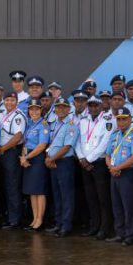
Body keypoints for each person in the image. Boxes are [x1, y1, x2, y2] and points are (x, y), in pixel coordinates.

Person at [105, 107, 133, 245]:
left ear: (130, 119)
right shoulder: (115, 134)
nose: (121, 122)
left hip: (127, 174)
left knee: (129, 206)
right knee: (116, 206)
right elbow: (107, 154)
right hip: (114, 173)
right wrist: (111, 168)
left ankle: (130, 235)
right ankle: (119, 233)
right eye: (119, 119)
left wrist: (117, 168)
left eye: (124, 119)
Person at [77, 96, 114, 239]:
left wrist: (89, 159)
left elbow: (105, 143)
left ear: (101, 106)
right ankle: (94, 226)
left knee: (102, 198)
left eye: (96, 105)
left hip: (99, 163)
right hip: (84, 164)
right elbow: (78, 141)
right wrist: (82, 158)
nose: (93, 108)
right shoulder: (83, 121)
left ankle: (104, 229)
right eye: (91, 106)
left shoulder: (108, 121)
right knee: (90, 197)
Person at [45, 98, 78, 237]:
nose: (61, 109)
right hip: (53, 163)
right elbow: (51, 144)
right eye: (58, 107)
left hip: (64, 162)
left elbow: (67, 147)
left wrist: (52, 158)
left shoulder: (71, 126)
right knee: (57, 194)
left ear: (69, 109)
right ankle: (58, 223)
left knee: (66, 195)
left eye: (64, 107)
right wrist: (48, 158)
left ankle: (66, 226)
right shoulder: (54, 124)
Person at [0, 92, 26, 229]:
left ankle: (14, 220)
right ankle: (9, 216)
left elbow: (18, 136)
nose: (9, 102)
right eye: (7, 100)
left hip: (11, 153)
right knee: (6, 186)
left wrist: (3, 148)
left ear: (16, 102)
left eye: (12, 100)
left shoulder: (18, 116)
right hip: (4, 153)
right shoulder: (4, 114)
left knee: (13, 186)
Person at [20, 101, 50, 231]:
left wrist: (27, 157)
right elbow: (25, 143)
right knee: (32, 191)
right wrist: (23, 157)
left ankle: (40, 220)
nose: (34, 112)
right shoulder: (30, 124)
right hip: (28, 158)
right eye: (31, 110)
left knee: (39, 191)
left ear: (41, 110)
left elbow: (42, 145)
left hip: (37, 159)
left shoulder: (43, 125)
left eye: (36, 109)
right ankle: (34, 218)